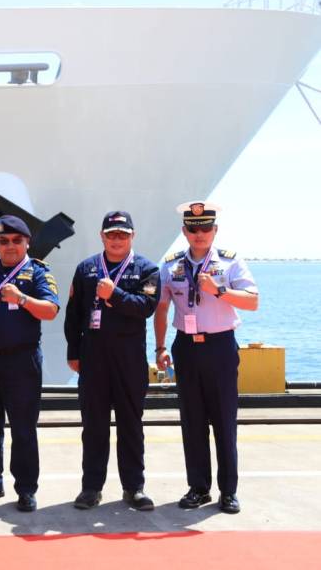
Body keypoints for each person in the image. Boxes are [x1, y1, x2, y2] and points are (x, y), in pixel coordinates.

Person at [155, 201, 259, 514]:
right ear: (184, 231)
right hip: (186, 347)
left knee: (224, 420)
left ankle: (228, 491)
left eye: (205, 228)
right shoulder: (171, 265)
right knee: (192, 420)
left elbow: (253, 301)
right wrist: (160, 347)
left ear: (215, 230)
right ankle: (198, 488)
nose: (199, 234)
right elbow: (161, 308)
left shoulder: (230, 262)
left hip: (220, 346)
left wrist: (220, 291)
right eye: (193, 228)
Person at [64, 211, 160, 511]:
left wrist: (115, 294)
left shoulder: (147, 269)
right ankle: (91, 488)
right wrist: (73, 352)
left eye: (123, 234)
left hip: (129, 358)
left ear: (132, 236)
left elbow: (146, 307)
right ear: (102, 236)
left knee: (130, 423)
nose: (117, 239)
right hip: (93, 357)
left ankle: (134, 488)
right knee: (94, 425)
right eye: (111, 234)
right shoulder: (86, 269)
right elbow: (73, 314)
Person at [0, 215, 60, 512]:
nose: (10, 246)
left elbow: (51, 310)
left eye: (17, 240)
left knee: (23, 428)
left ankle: (26, 489)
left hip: (21, 361)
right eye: (3, 240)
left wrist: (22, 299)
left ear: (27, 242)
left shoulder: (38, 273)